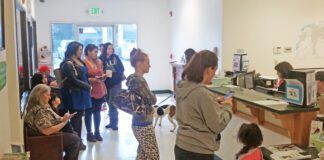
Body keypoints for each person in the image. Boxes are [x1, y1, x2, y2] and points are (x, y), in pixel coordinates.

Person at [175, 50, 233, 160]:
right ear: (208, 70)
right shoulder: (203, 94)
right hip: (198, 151)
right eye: (214, 71)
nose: (214, 75)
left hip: (181, 146)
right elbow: (217, 125)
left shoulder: (183, 85)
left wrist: (214, 101)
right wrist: (227, 106)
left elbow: (193, 105)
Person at [24, 84, 80, 160]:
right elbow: (47, 131)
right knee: (75, 140)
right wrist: (63, 123)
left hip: (46, 137)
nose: (50, 97)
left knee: (75, 136)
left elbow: (53, 120)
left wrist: (63, 118)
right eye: (48, 95)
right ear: (41, 95)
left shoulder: (41, 106)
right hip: (46, 139)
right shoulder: (39, 111)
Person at [127, 48, 159, 160]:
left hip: (140, 123)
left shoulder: (134, 79)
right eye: (147, 62)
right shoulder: (138, 80)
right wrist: (153, 96)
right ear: (139, 63)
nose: (149, 65)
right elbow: (152, 99)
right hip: (143, 124)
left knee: (143, 155)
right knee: (153, 155)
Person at [60, 41, 92, 150]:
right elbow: (72, 80)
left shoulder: (79, 61)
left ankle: (77, 140)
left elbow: (84, 76)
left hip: (81, 92)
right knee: (76, 119)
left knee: (79, 117)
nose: (81, 52)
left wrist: (87, 85)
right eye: (80, 50)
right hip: (73, 94)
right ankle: (76, 142)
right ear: (73, 50)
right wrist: (87, 86)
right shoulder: (68, 63)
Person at [99, 42, 125, 130]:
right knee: (109, 104)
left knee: (113, 103)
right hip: (106, 84)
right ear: (105, 49)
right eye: (109, 48)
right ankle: (111, 122)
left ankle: (114, 124)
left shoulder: (115, 57)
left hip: (115, 83)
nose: (111, 50)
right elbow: (100, 70)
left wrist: (115, 72)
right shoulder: (101, 58)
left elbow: (121, 69)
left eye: (112, 48)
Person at [84, 44, 107, 142]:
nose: (96, 53)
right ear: (88, 52)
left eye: (97, 52)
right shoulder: (84, 62)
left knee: (97, 112)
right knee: (89, 112)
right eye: (94, 51)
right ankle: (89, 133)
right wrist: (93, 80)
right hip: (89, 90)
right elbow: (83, 78)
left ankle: (97, 132)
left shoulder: (99, 61)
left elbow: (101, 74)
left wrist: (103, 76)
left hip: (99, 89)